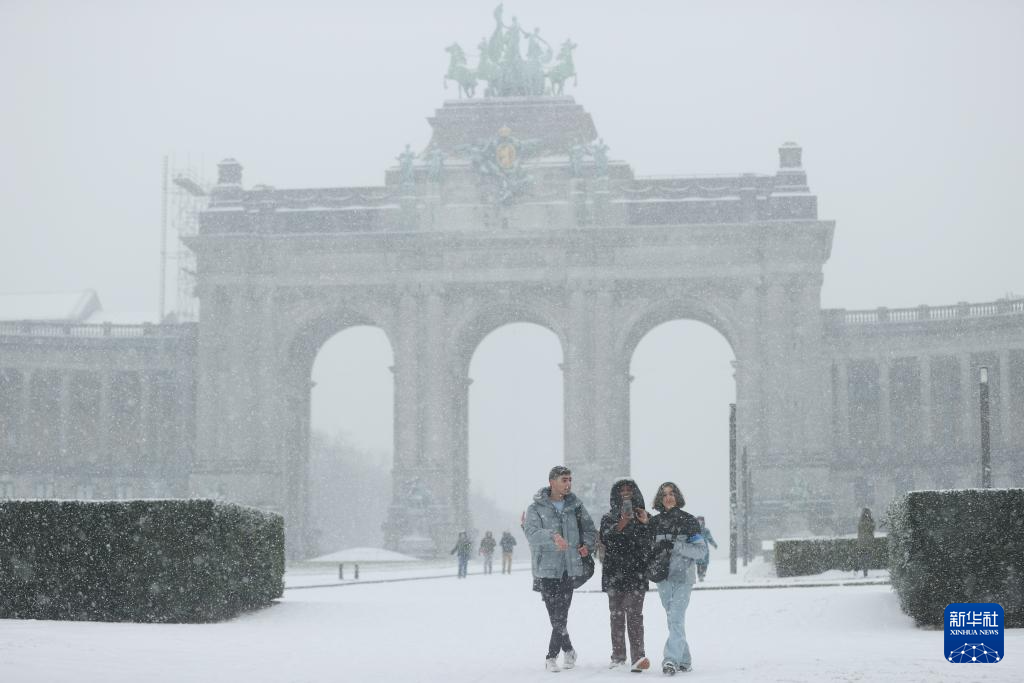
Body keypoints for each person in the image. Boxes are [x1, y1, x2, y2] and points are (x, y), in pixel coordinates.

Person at [524, 465, 597, 673]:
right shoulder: (535, 508)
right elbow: (531, 534)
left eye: (570, 480)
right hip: (546, 569)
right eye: (564, 480)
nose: (568, 484)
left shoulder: (576, 506)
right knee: (554, 615)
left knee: (561, 614)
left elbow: (591, 530)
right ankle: (570, 649)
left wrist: (587, 546)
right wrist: (552, 536)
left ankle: (551, 656)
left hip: (569, 568)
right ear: (552, 482)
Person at [648, 482, 706, 675]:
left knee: (676, 618)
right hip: (663, 578)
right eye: (664, 494)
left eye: (672, 493)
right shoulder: (654, 523)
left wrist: (676, 547)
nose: (668, 497)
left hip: (683, 578)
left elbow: (701, 551)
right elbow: (649, 549)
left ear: (677, 496)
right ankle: (686, 660)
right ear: (660, 499)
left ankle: (671, 660)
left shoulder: (688, 521)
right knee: (674, 620)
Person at [599, 478, 652, 672]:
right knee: (616, 615)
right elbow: (605, 539)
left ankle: (638, 657)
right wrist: (621, 522)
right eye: (621, 489)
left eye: (630, 489)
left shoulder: (644, 516)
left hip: (637, 573)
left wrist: (645, 523)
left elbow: (651, 542)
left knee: (635, 615)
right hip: (614, 573)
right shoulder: (608, 517)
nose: (626, 492)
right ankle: (618, 656)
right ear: (616, 494)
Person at [694, 516, 719, 582]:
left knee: (705, 562)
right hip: (697, 549)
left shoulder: (706, 531)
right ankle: (700, 575)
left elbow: (710, 538)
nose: (700, 522)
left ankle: (704, 572)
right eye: (698, 521)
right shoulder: (694, 530)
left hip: (705, 550)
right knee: (699, 563)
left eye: (701, 521)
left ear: (703, 522)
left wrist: (714, 544)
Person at [857, 507, 875, 578]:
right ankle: (865, 571)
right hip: (868, 542)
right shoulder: (869, 521)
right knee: (867, 557)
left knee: (863, 557)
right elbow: (872, 528)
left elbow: (860, 530)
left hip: (862, 542)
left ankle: (864, 570)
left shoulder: (861, 521)